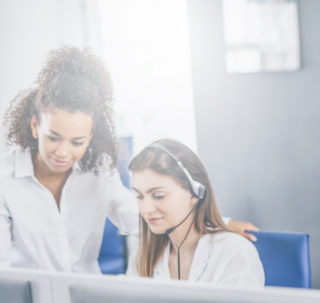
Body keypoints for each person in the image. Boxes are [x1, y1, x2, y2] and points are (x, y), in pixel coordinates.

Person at [0, 47, 256, 273]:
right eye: (53, 137)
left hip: (86, 301)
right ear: (35, 126)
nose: (64, 152)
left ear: (91, 135)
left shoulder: (97, 169)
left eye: (77, 142)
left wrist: (217, 223)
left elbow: (135, 215)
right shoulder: (5, 180)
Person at [126, 139, 264, 286]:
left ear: (195, 193)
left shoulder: (234, 254)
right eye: (139, 196)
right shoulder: (142, 259)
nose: (146, 209)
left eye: (159, 195)